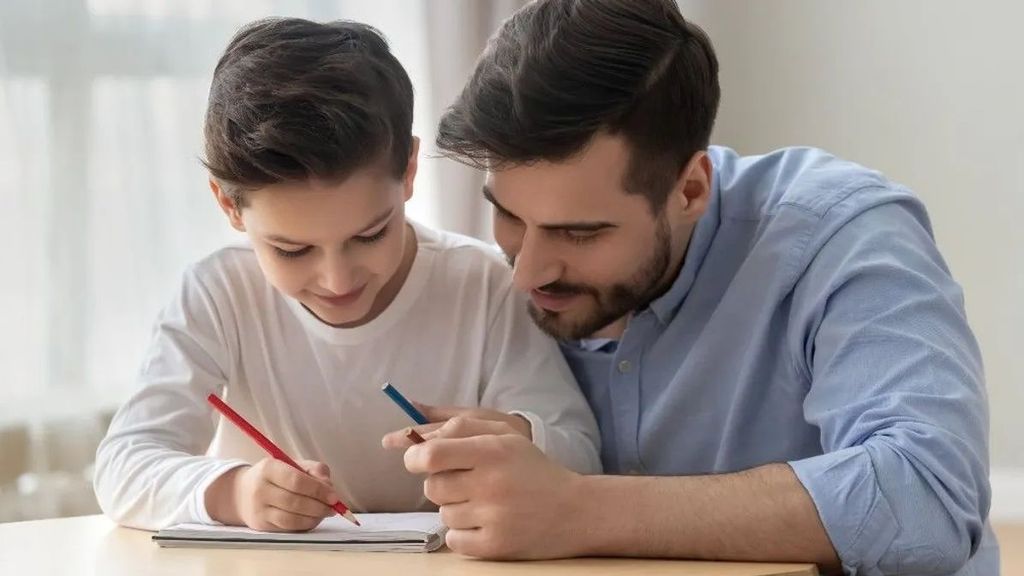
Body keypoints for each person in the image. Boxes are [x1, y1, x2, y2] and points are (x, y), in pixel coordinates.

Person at [382, 1, 997, 573]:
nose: (528, 272)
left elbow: (929, 496)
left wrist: (578, 509)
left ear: (690, 189)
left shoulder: (837, 234)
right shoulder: (489, 283)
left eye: (581, 232)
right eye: (510, 216)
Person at [93, 17, 600, 533]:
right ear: (229, 205)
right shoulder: (219, 293)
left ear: (407, 171)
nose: (337, 281)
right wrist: (236, 492)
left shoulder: (486, 285)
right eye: (291, 250)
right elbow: (123, 466)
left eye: (370, 235)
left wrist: (518, 437)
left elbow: (582, 451)